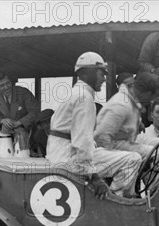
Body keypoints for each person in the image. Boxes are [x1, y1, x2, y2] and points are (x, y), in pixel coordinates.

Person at [46, 52, 142, 198]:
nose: (104, 79)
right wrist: (93, 176)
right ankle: (115, 201)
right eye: (101, 73)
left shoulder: (76, 92)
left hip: (59, 154)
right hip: (69, 159)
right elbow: (82, 141)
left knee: (117, 154)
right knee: (132, 159)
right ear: (88, 73)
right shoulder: (84, 97)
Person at [95, 71, 159, 158]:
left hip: (127, 139)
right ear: (144, 91)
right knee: (152, 152)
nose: (150, 101)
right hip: (111, 145)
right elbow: (101, 137)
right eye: (150, 97)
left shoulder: (132, 101)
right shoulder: (121, 105)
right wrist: (118, 156)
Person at [0, 72, 40, 155]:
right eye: (2, 85)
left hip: (26, 134)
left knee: (23, 156)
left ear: (11, 82)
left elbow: (35, 112)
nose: (6, 87)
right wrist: (2, 121)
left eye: (7, 83)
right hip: (5, 136)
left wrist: (20, 122)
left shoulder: (24, 93)